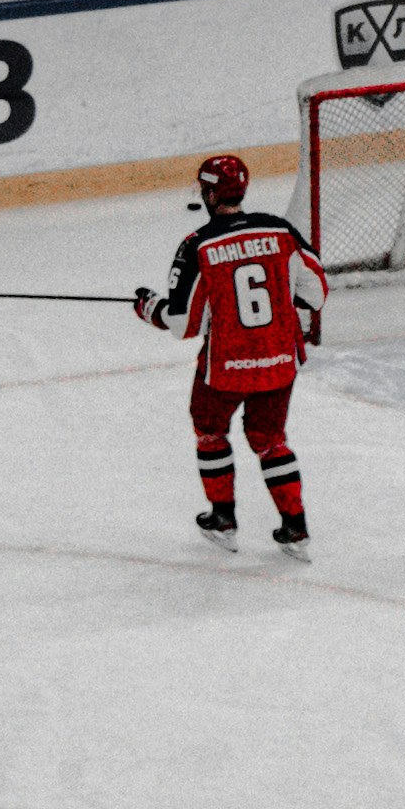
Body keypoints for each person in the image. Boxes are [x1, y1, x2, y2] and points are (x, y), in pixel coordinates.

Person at [134, 153, 329, 553]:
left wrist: (149, 307)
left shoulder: (197, 246)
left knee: (210, 431)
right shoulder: (281, 230)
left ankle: (223, 519)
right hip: (279, 361)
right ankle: (295, 526)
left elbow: (182, 323)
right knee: (271, 439)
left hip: (225, 368)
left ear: (207, 193)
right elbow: (316, 293)